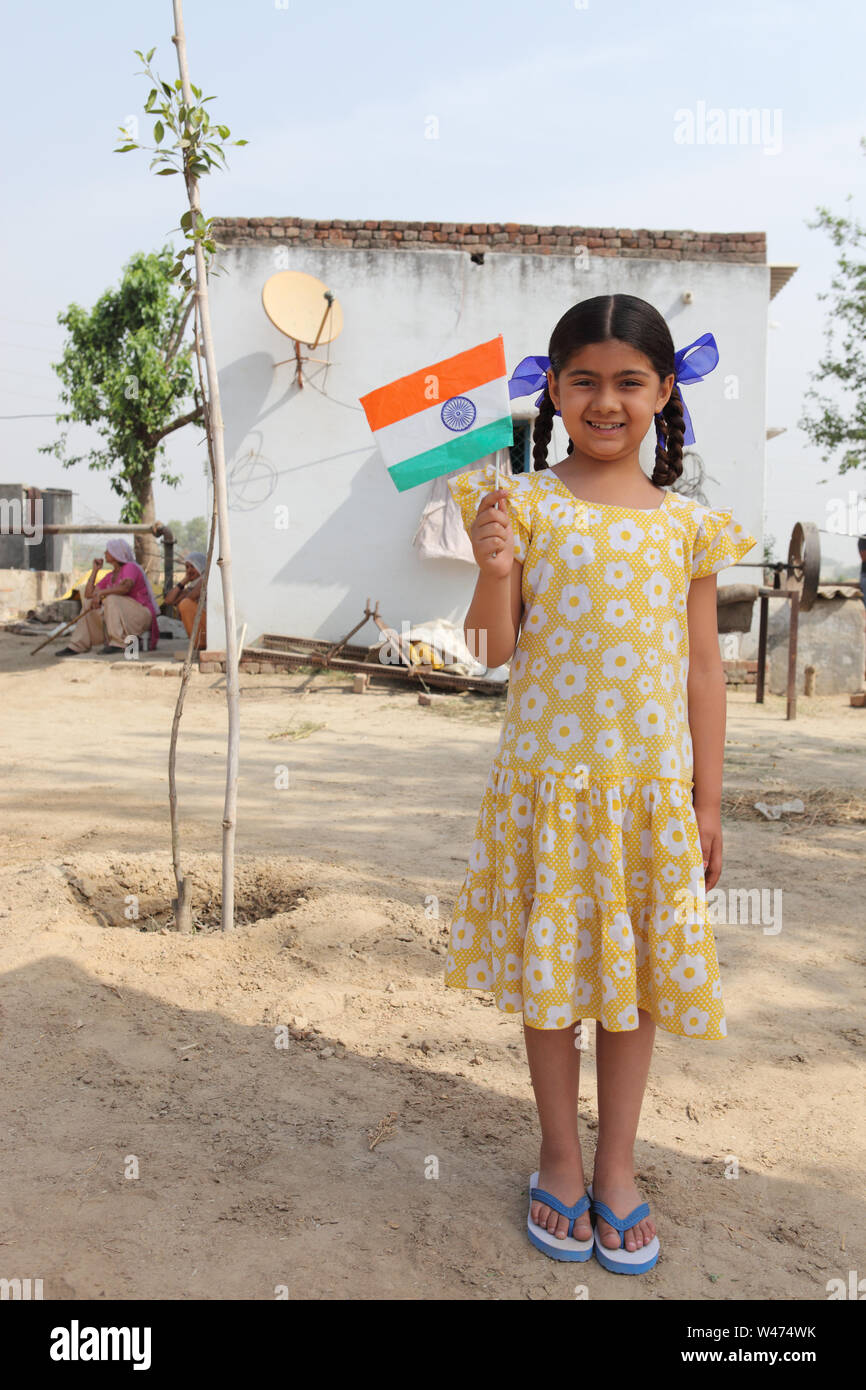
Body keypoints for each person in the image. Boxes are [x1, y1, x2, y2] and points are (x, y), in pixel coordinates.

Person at [447, 294, 756, 1274]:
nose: (605, 400)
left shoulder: (688, 527)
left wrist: (706, 802)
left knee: (639, 986)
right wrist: (494, 568)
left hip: (649, 799)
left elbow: (703, 670)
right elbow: (489, 651)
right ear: (551, 387)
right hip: (547, 791)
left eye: (628, 381)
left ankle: (618, 1167)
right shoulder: (522, 506)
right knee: (554, 980)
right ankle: (558, 1159)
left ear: (663, 392)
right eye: (582, 379)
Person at [57, 537, 160, 656]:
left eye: (108, 550)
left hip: (140, 615)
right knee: (88, 603)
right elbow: (89, 594)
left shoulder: (131, 567)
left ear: (116, 554)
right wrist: (95, 571)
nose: (105, 553)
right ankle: (77, 645)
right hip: (123, 616)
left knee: (111, 598)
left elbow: (125, 587)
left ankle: (119, 643)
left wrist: (101, 593)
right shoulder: (110, 576)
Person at [164, 551, 207, 648]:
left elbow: (191, 597)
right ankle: (198, 643)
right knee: (184, 604)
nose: (189, 571)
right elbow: (168, 601)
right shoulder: (192, 585)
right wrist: (184, 581)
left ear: (200, 566)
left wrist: (183, 598)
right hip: (203, 626)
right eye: (187, 567)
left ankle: (200, 644)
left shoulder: (205, 579)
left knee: (185, 604)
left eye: (192, 567)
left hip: (211, 625)